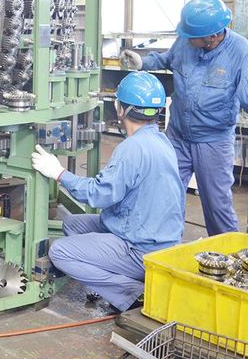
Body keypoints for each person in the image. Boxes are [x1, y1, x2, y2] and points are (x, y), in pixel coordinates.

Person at [31, 72, 184, 312]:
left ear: (120, 108)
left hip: (141, 249)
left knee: (60, 252)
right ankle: (110, 279)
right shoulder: (162, 141)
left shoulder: (132, 149)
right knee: (72, 224)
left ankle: (133, 293)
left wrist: (59, 173)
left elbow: (99, 195)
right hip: (154, 235)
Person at [120, 0, 248, 235]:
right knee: (164, 194)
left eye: (192, 36)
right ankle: (165, 246)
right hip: (177, 136)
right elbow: (168, 59)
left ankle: (227, 253)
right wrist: (142, 63)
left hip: (213, 141)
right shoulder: (187, 40)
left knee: (217, 205)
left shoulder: (241, 52)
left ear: (212, 36)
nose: (187, 39)